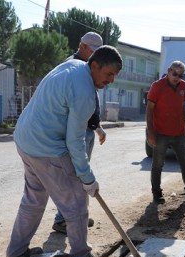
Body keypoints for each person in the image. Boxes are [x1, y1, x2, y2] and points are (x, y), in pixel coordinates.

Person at [6, 45, 123, 257]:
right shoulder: (85, 93)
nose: (110, 81)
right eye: (108, 74)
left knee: (33, 199)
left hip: (25, 139)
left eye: (114, 76)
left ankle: (16, 252)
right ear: (95, 65)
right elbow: (75, 141)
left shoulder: (73, 65)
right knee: (77, 203)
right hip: (47, 147)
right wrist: (87, 178)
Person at [52, 31, 106, 234]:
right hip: (75, 131)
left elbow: (91, 100)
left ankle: (74, 216)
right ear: (82, 45)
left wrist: (97, 125)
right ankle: (64, 219)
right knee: (75, 177)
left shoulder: (88, 67)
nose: (94, 57)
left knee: (77, 177)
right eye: (92, 51)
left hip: (86, 129)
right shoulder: (72, 68)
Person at [146, 60, 185, 205]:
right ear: (169, 70)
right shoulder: (157, 86)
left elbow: (182, 107)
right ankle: (157, 194)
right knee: (158, 164)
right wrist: (151, 133)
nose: (177, 77)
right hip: (160, 133)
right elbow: (149, 109)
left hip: (179, 133)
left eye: (180, 74)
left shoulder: (183, 86)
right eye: (175, 73)